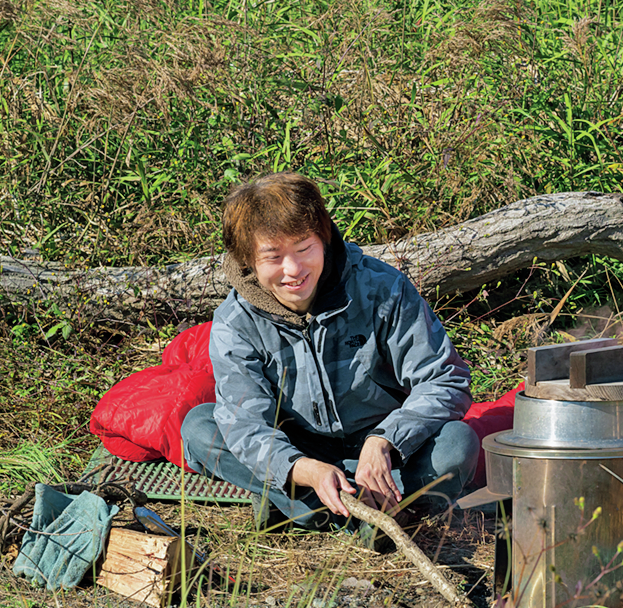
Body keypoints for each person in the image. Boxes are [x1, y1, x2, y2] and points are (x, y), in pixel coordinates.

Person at [180, 172, 479, 533]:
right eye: (273, 257)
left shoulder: (382, 289)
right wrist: (304, 469)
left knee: (457, 443)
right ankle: (344, 510)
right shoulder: (235, 322)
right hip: (302, 453)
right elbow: (246, 426)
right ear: (248, 261)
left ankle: (308, 508)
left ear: (323, 240)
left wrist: (386, 439)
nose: (294, 270)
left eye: (304, 249)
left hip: (387, 452)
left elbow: (446, 378)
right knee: (200, 427)